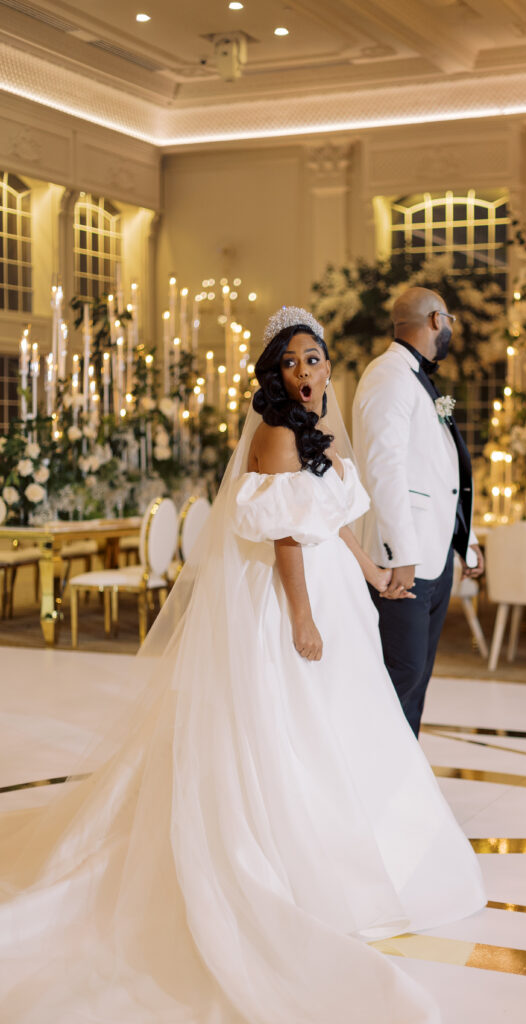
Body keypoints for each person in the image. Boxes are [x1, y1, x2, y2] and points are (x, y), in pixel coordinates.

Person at [0, 307, 485, 1024]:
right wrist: (301, 618)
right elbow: (289, 537)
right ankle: (294, 859)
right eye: (290, 362)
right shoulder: (277, 435)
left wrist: (373, 576)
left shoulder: (315, 433)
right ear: (274, 374)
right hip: (291, 598)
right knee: (289, 724)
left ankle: (351, 844)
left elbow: (329, 523)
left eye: (313, 359)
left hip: (333, 592)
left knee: (341, 720)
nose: (305, 372)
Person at [353, 286, 485, 737]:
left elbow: (440, 475)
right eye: (449, 319)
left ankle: (402, 788)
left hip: (432, 559)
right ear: (434, 320)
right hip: (403, 564)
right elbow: (382, 468)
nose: (450, 329)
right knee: (397, 679)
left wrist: (468, 542)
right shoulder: (388, 376)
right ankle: (376, 788)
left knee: (415, 683)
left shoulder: (416, 379)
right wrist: (399, 552)